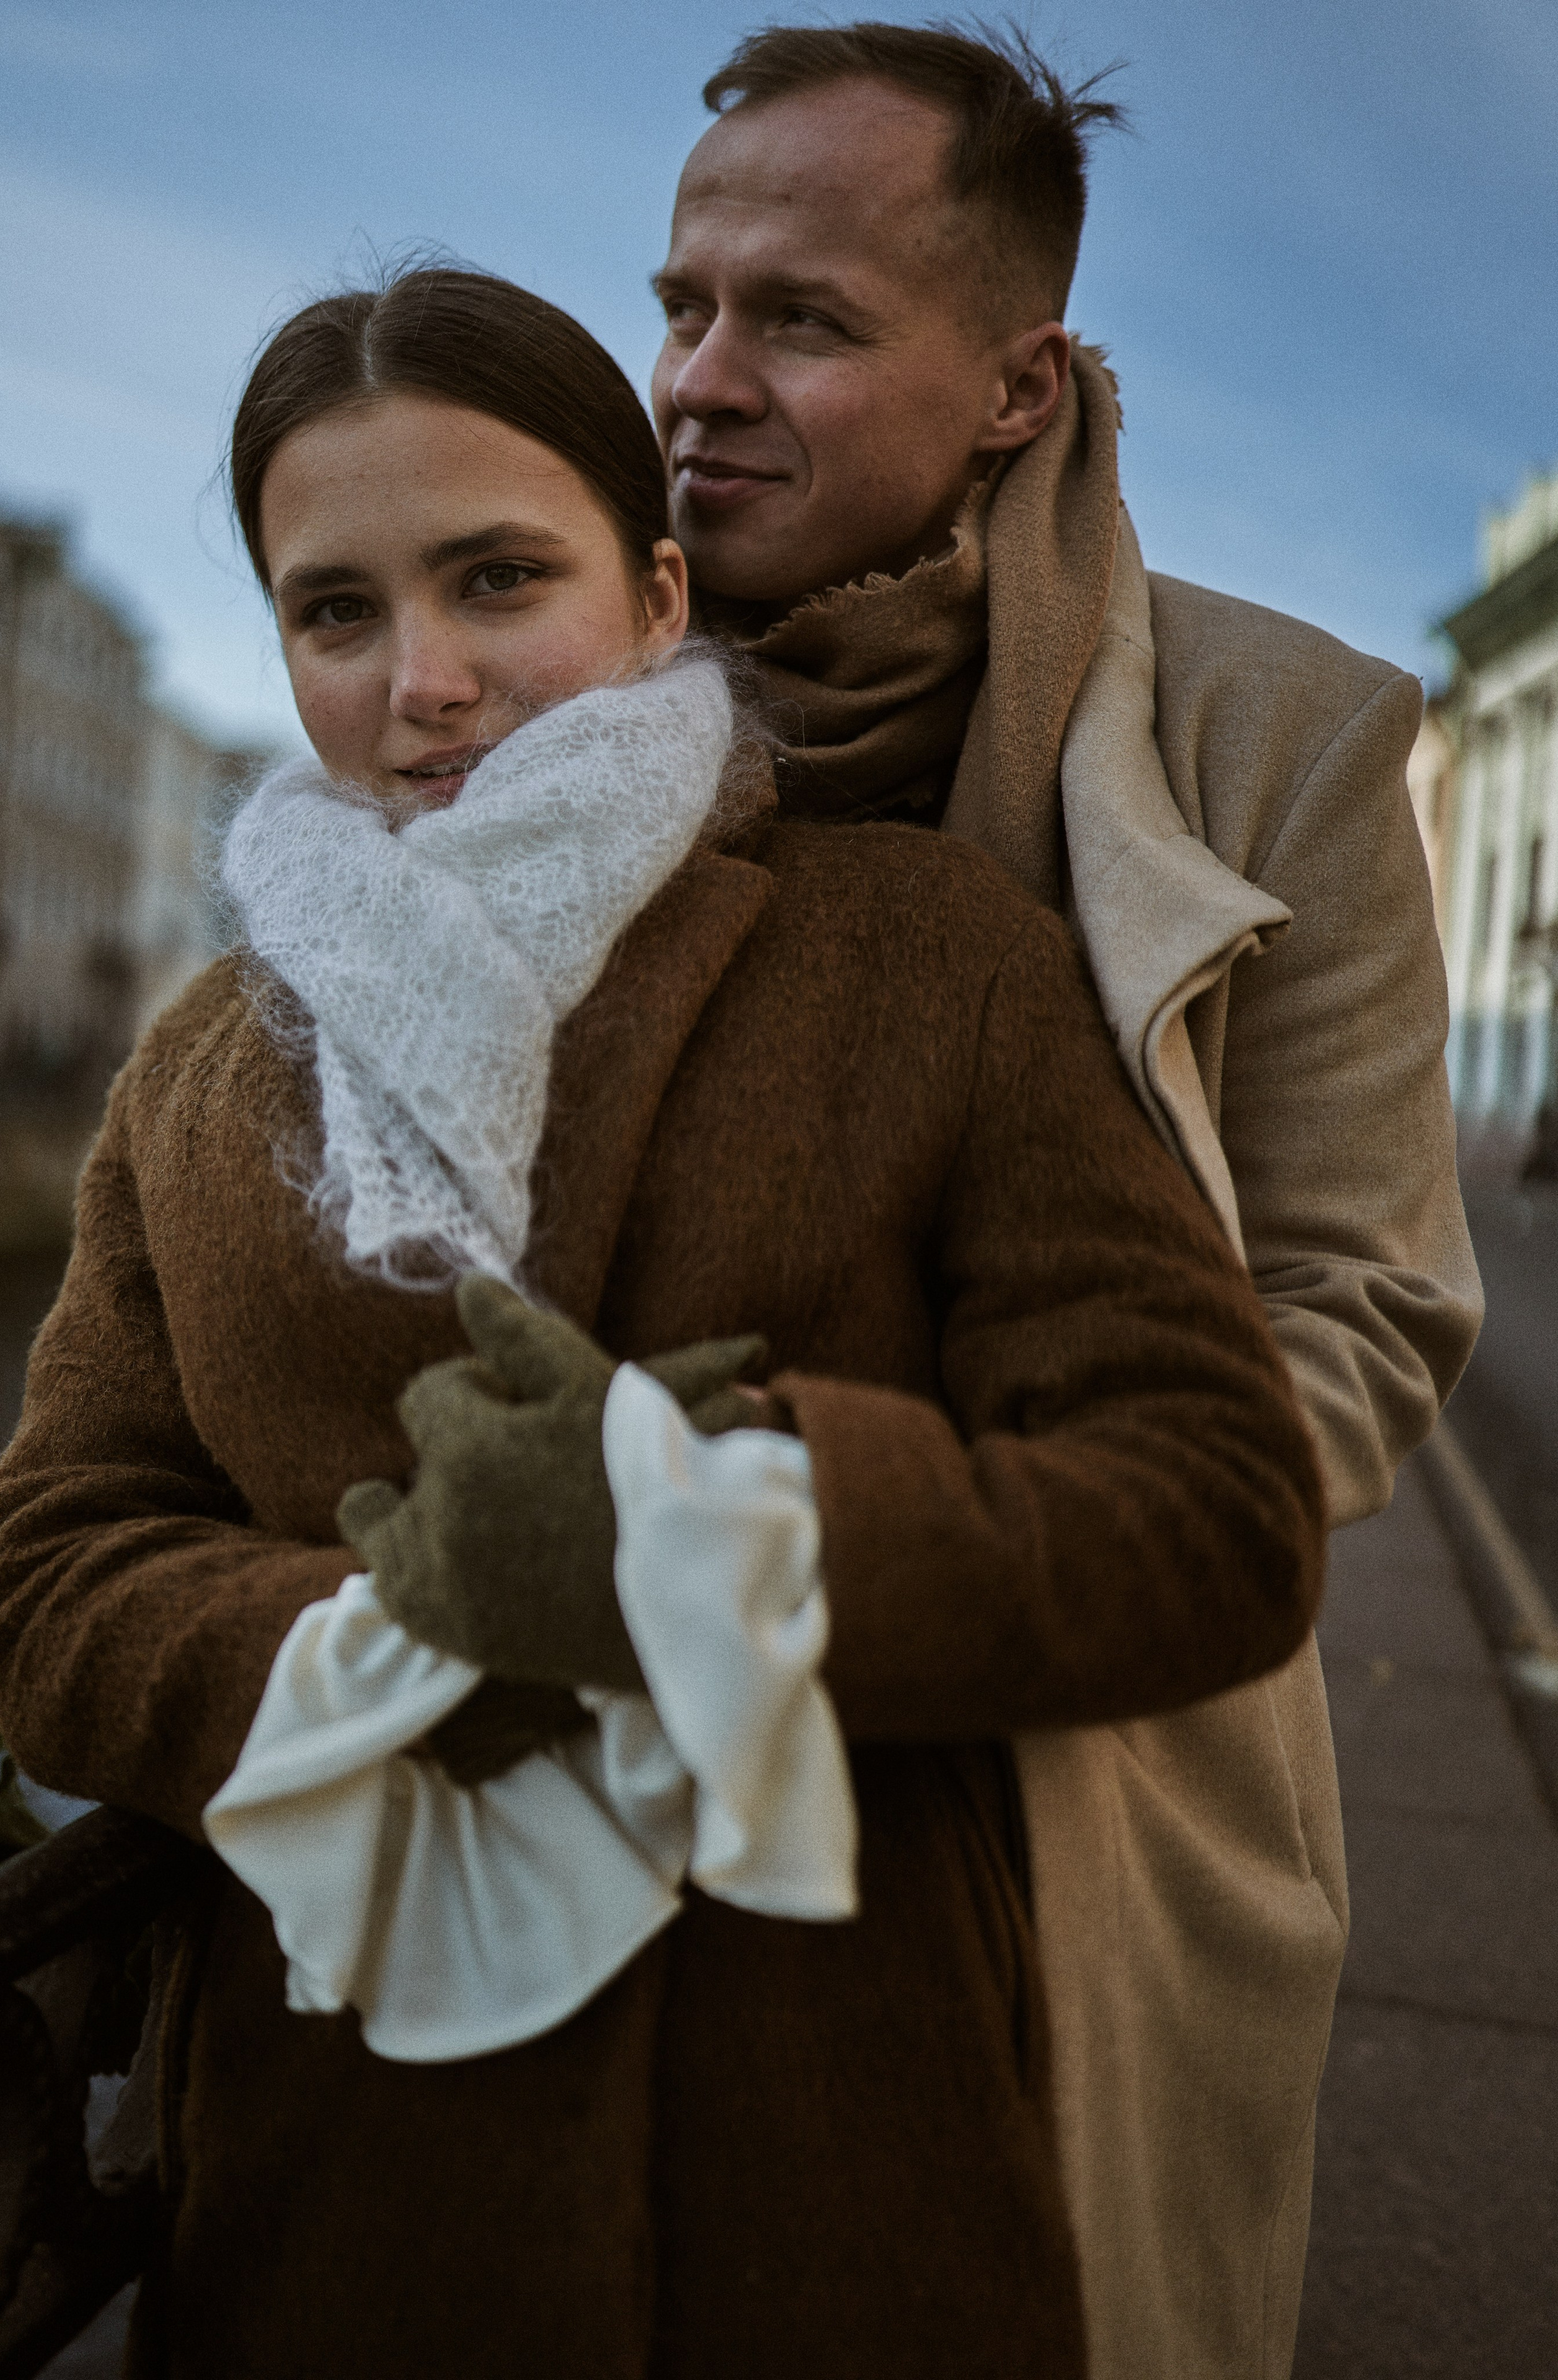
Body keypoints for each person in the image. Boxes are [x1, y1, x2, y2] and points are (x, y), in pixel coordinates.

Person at [0, 265, 1324, 2379]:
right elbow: (47, 1583)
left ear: (663, 592)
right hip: (339, 2191)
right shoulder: (201, 1064)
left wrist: (714, 1542)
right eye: (337, 612)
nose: (425, 679)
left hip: (838, 2150)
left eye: (500, 577)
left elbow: (1216, 1508)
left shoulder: (926, 953)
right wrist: (391, 1635)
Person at [649, 22, 1483, 2379]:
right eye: (680, 301)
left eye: (798, 319)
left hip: (1068, 1769)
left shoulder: (1284, 731)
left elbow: (1362, 1303)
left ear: (1016, 388)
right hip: (598, 1732)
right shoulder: (555, 678)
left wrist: (986, 1554)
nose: (697, 379)